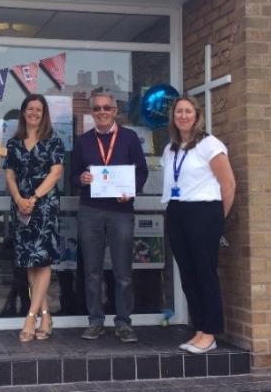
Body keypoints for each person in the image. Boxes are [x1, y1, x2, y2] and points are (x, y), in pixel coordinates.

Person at [160, 95, 235, 354]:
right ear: (173, 117)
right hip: (177, 211)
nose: (183, 116)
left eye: (188, 111)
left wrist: (218, 220)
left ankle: (210, 332)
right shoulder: (170, 149)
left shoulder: (209, 144)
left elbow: (228, 184)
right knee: (188, 275)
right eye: (178, 111)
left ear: (197, 115)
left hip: (204, 212)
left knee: (205, 274)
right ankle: (200, 329)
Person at [71, 91, 148, 342]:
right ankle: (95, 321)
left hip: (120, 211)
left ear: (115, 111)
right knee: (91, 270)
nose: (102, 112)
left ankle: (123, 322)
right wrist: (81, 179)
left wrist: (131, 191)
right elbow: (72, 177)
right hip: (90, 211)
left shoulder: (129, 138)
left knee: (123, 272)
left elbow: (142, 172)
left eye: (106, 108)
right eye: (97, 108)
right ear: (91, 113)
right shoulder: (83, 141)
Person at [4, 94, 64, 342]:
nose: (34, 113)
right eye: (30, 108)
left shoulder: (53, 140)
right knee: (30, 262)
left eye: (38, 109)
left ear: (44, 113)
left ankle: (31, 317)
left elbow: (56, 172)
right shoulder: (14, 142)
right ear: (23, 112)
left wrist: (34, 197)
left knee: (43, 260)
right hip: (22, 208)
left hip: (44, 206)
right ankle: (45, 315)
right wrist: (20, 199)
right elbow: (9, 175)